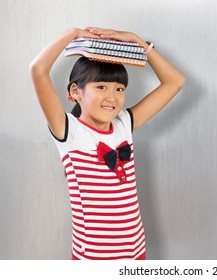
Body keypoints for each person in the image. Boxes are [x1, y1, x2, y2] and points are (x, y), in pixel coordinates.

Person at [29, 27, 186, 260]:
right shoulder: (70, 131)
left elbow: (175, 81)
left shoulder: (124, 124)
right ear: (75, 91)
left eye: (119, 89)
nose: (112, 97)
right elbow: (38, 70)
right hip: (93, 258)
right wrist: (73, 34)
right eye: (101, 87)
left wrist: (136, 40)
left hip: (135, 252)